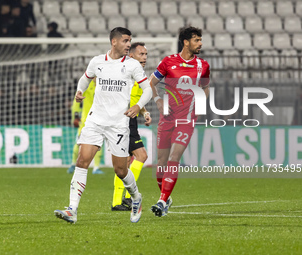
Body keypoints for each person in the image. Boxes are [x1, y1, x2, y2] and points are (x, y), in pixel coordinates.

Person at [54, 27, 152, 224]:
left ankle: (136, 197)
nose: (128, 45)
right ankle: (72, 209)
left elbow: (147, 88)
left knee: (121, 170)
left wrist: (138, 106)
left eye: (129, 41)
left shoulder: (132, 65)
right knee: (82, 161)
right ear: (114, 42)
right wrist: (79, 91)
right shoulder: (97, 61)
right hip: (95, 120)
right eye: (125, 41)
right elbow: (85, 78)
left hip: (118, 124)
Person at [149, 26, 210, 217]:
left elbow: (206, 88)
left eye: (200, 40)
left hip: (186, 119)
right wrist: (158, 100)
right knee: (161, 163)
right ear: (186, 42)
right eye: (196, 40)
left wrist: (200, 106)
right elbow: (151, 83)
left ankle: (161, 201)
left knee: (174, 158)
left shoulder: (203, 65)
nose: (200, 43)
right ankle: (166, 197)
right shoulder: (168, 62)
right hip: (167, 118)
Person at [111, 42, 152, 211]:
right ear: (132, 55)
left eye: (146, 54)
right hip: (124, 120)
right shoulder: (126, 72)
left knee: (126, 162)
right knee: (141, 156)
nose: (145, 58)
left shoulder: (137, 74)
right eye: (141, 54)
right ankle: (129, 197)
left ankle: (116, 202)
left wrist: (144, 112)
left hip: (130, 119)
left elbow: (134, 100)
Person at [67, 78, 104, 175]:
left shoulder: (104, 86)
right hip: (86, 120)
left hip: (100, 119)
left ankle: (96, 167)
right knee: (79, 142)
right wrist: (75, 116)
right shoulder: (87, 85)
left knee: (99, 142)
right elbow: (77, 100)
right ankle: (72, 164)